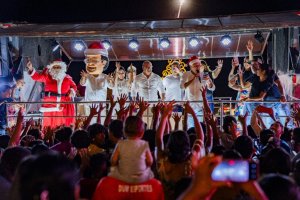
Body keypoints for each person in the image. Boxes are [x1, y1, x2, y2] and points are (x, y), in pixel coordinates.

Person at [27, 59, 77, 128]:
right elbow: (37, 77)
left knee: (62, 127)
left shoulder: (67, 78)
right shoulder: (47, 77)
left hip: (62, 106)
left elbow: (74, 86)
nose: (56, 69)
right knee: (48, 127)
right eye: (54, 67)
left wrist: (72, 91)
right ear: (52, 68)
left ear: (62, 68)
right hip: (49, 106)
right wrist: (31, 68)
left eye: (58, 67)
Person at [109, 116, 154, 183]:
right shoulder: (144, 144)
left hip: (123, 177)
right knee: (150, 173)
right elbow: (150, 161)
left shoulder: (120, 144)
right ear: (142, 132)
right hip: (141, 178)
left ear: (124, 131)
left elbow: (113, 161)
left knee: (111, 172)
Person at [180, 56, 215, 128]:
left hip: (200, 107)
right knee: (190, 128)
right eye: (195, 65)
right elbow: (182, 86)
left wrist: (209, 81)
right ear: (191, 66)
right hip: (190, 106)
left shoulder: (204, 74)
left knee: (200, 128)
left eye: (198, 65)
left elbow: (212, 88)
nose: (197, 67)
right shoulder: (186, 74)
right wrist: (194, 77)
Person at [80, 41, 110, 116]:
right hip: (89, 105)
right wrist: (83, 77)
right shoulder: (88, 76)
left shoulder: (105, 77)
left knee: (100, 124)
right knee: (89, 124)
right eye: (88, 60)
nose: (90, 63)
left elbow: (111, 86)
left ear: (103, 62)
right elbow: (82, 83)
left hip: (100, 106)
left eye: (94, 60)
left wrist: (112, 80)